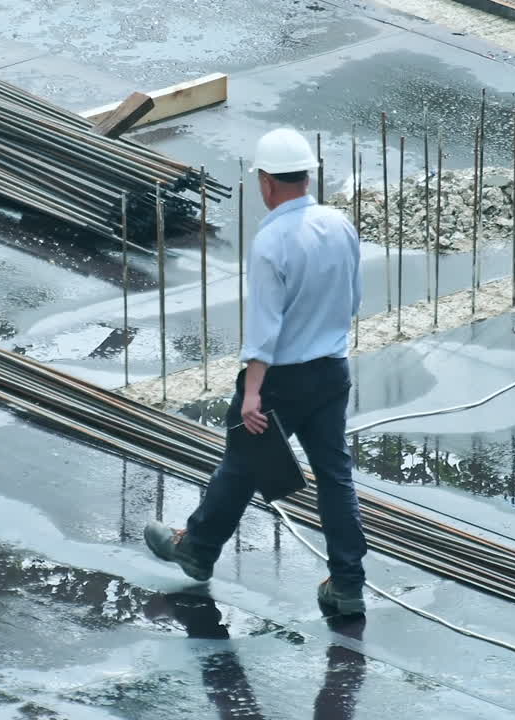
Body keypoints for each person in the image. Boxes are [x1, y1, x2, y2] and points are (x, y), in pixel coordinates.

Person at [143, 128, 367, 615]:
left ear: (266, 182)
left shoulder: (272, 241)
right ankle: (347, 584)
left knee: (243, 457)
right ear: (307, 176)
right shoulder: (339, 224)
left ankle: (198, 549)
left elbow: (265, 330)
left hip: (281, 379)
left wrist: (252, 394)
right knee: (334, 478)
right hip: (332, 370)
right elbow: (354, 300)